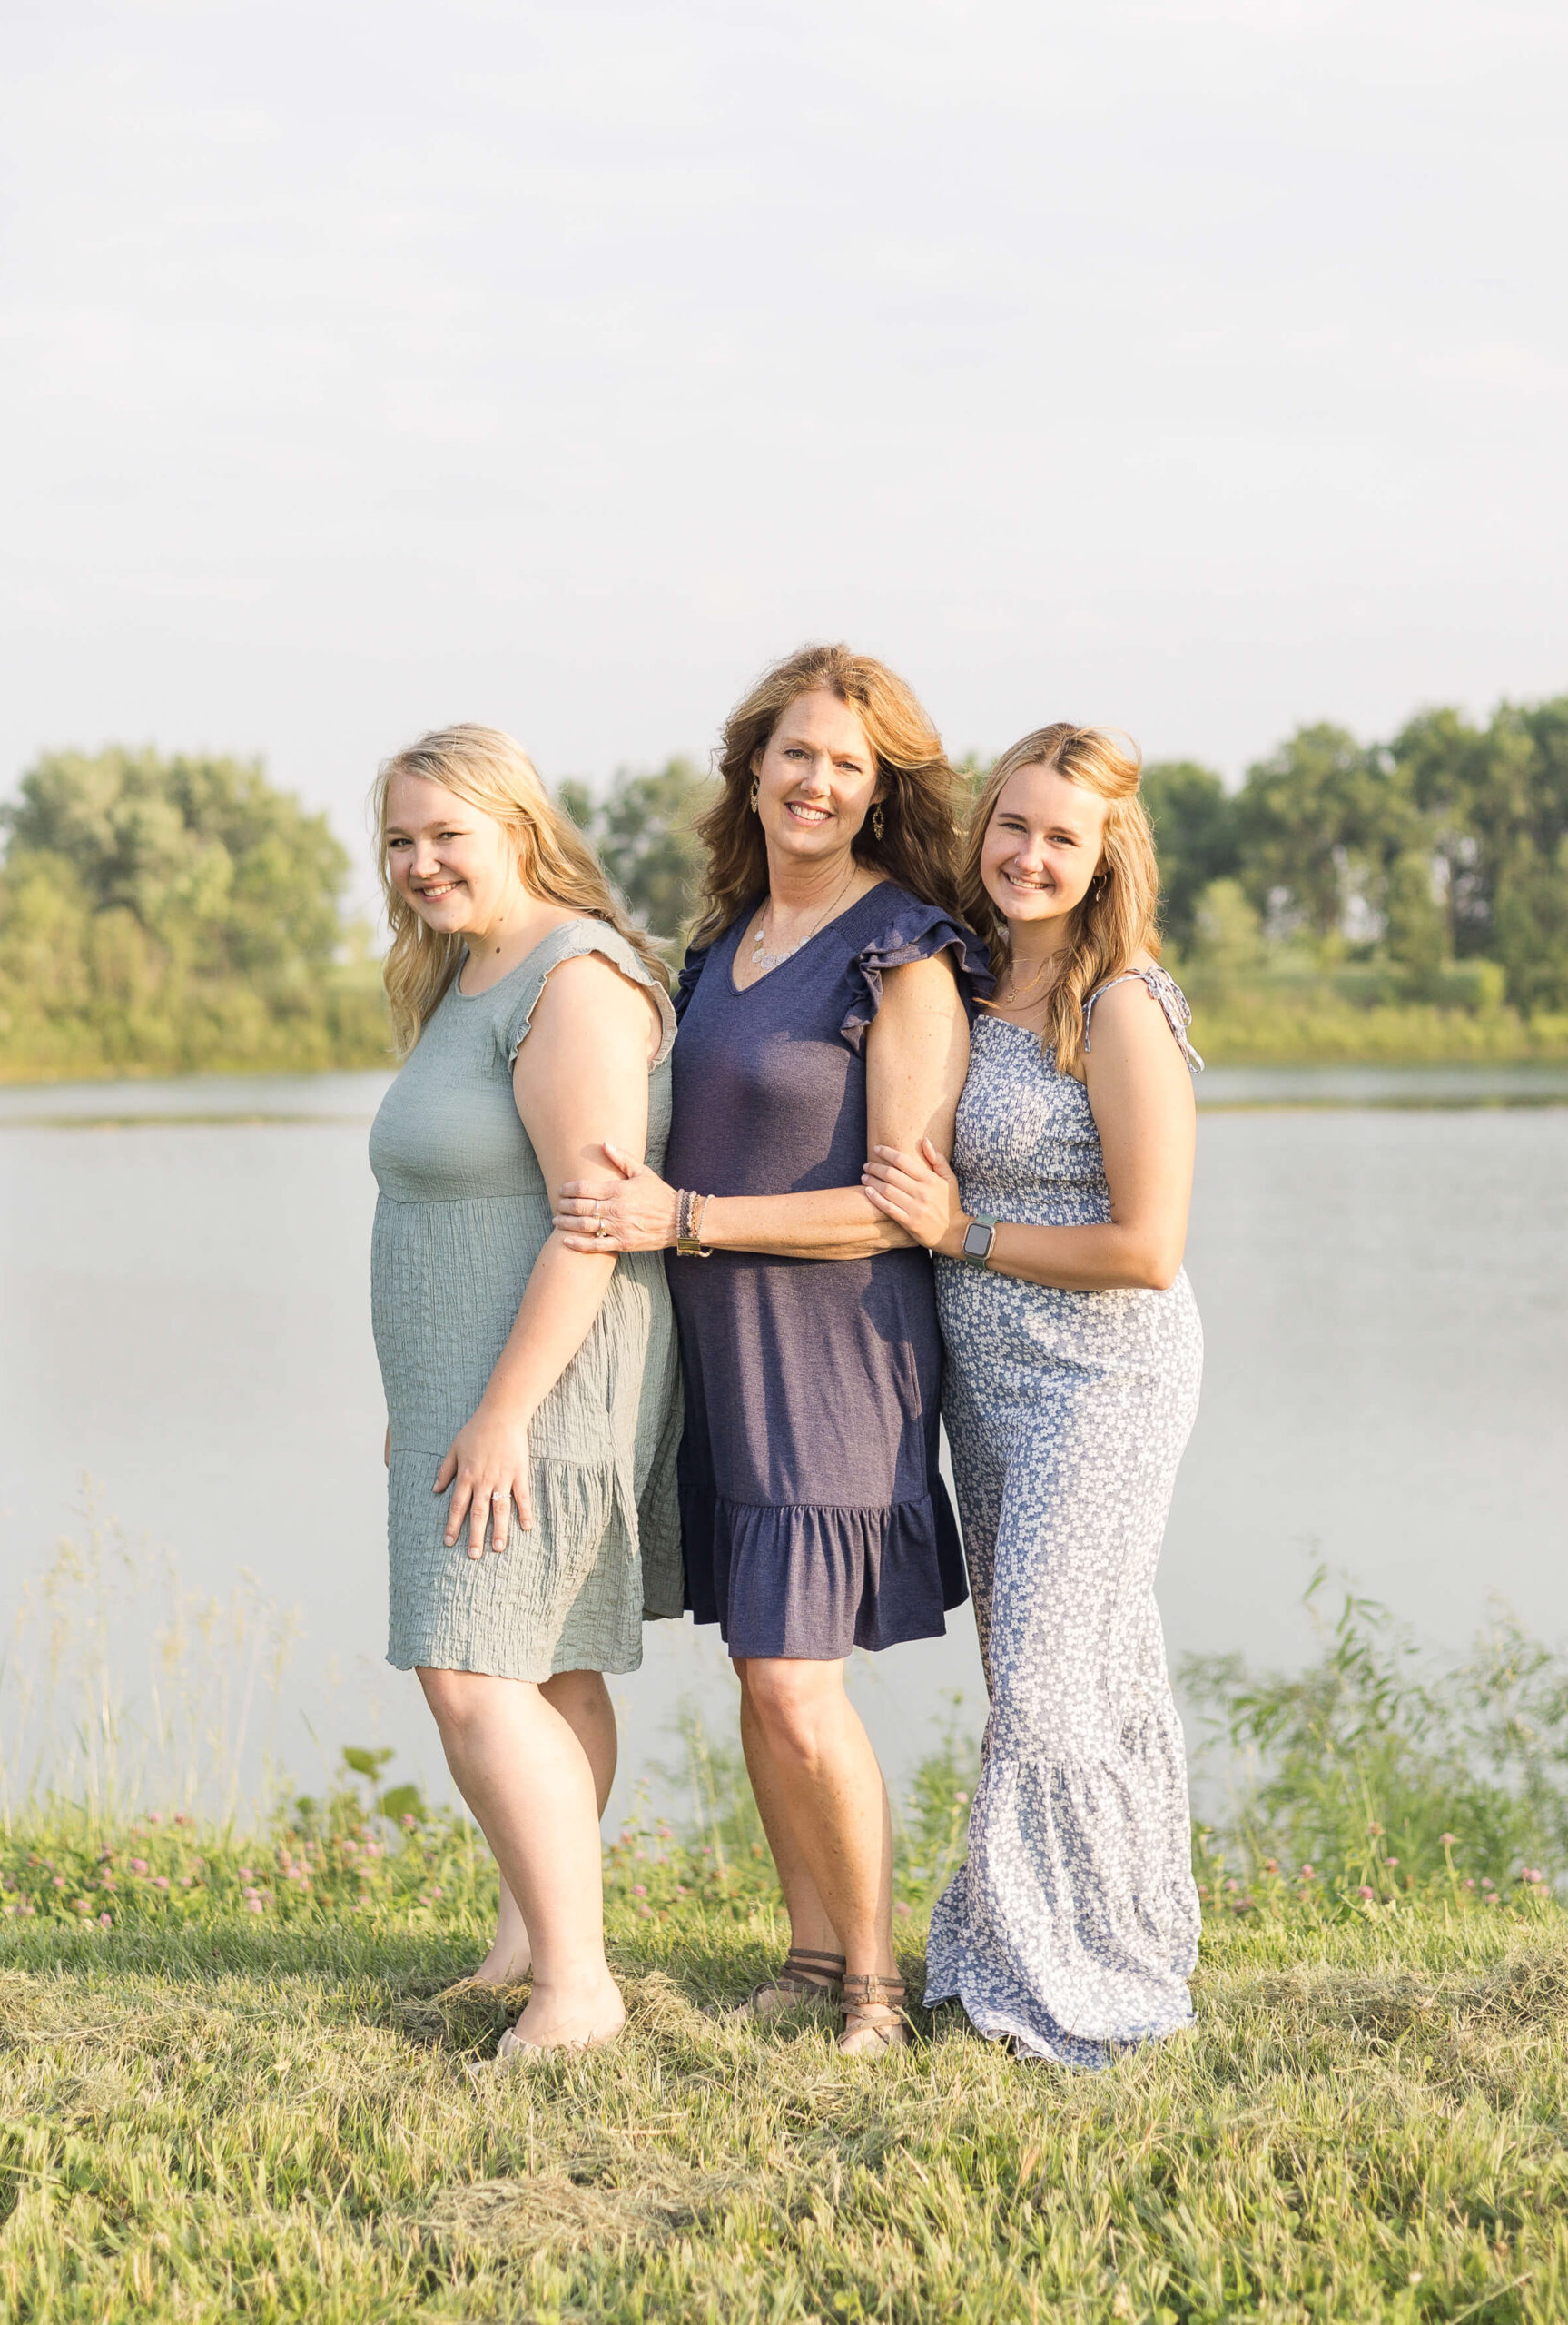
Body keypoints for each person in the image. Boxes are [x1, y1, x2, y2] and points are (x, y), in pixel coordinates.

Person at [552, 644, 989, 2054]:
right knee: (759, 1663)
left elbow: (891, 1205)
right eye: (796, 752)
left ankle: (875, 1983)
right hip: (719, 1344)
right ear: (753, 765)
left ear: (877, 795)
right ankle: (807, 1957)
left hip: (836, 1351)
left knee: (801, 1681)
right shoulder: (718, 946)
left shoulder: (904, 951)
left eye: (847, 766)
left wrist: (682, 1215)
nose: (816, 781)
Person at [860, 722, 1204, 2065]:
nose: (1030, 855)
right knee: (1067, 1674)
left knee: (1058, 1683)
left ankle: (1066, 1987)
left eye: (1064, 836)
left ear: (1108, 854)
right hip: (987, 1383)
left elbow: (1149, 1248)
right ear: (982, 827)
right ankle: (1113, 1931)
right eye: (1013, 825)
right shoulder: (970, 977)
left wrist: (965, 1238)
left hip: (1104, 1376)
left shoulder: (1121, 1004)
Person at [367, 724, 683, 2062]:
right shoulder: (467, 972)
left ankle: (579, 1988)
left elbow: (593, 1221)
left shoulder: (577, 978)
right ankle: (527, 1940)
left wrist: (497, 1412)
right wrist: (427, 1391)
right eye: (400, 840)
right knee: (540, 1667)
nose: (423, 863)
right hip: (468, 1377)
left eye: (449, 834)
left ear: (518, 829)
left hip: (545, 1379)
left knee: (466, 1670)